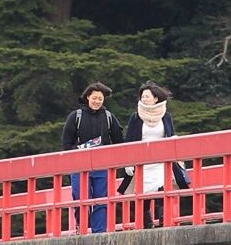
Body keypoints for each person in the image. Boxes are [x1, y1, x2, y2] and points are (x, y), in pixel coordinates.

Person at [116, 82, 191, 229]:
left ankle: (164, 221)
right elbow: (129, 140)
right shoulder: (136, 117)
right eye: (142, 96)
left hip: (161, 161)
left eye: (147, 96)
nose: (144, 99)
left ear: (156, 98)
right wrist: (128, 162)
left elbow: (169, 135)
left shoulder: (166, 116)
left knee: (162, 191)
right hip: (142, 162)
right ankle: (147, 224)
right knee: (143, 193)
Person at [60, 82, 120, 234]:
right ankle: (82, 229)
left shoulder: (108, 117)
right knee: (81, 198)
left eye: (100, 99)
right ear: (87, 97)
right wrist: (81, 149)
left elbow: (119, 142)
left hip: (103, 165)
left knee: (102, 199)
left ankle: (99, 232)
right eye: (94, 98)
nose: (97, 101)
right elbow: (66, 143)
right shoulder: (75, 117)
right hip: (79, 166)